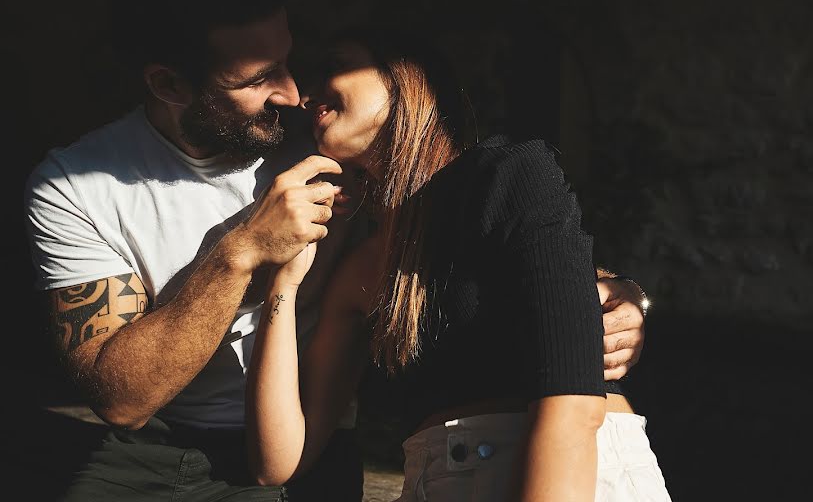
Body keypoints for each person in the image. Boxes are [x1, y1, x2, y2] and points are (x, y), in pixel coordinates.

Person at [22, 0, 648, 501]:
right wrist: (246, 256)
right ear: (169, 85)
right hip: (159, 443)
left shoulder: (346, 144)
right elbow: (123, 401)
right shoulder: (76, 184)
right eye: (260, 77)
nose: (295, 95)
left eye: (296, 63)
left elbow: (489, 241)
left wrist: (613, 293)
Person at [245, 29, 672, 501]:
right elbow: (280, 460)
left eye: (334, 65)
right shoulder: (362, 269)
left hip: (575, 477)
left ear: (405, 76)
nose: (305, 96)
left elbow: (571, 408)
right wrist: (280, 278)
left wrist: (628, 293)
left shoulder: (510, 177)